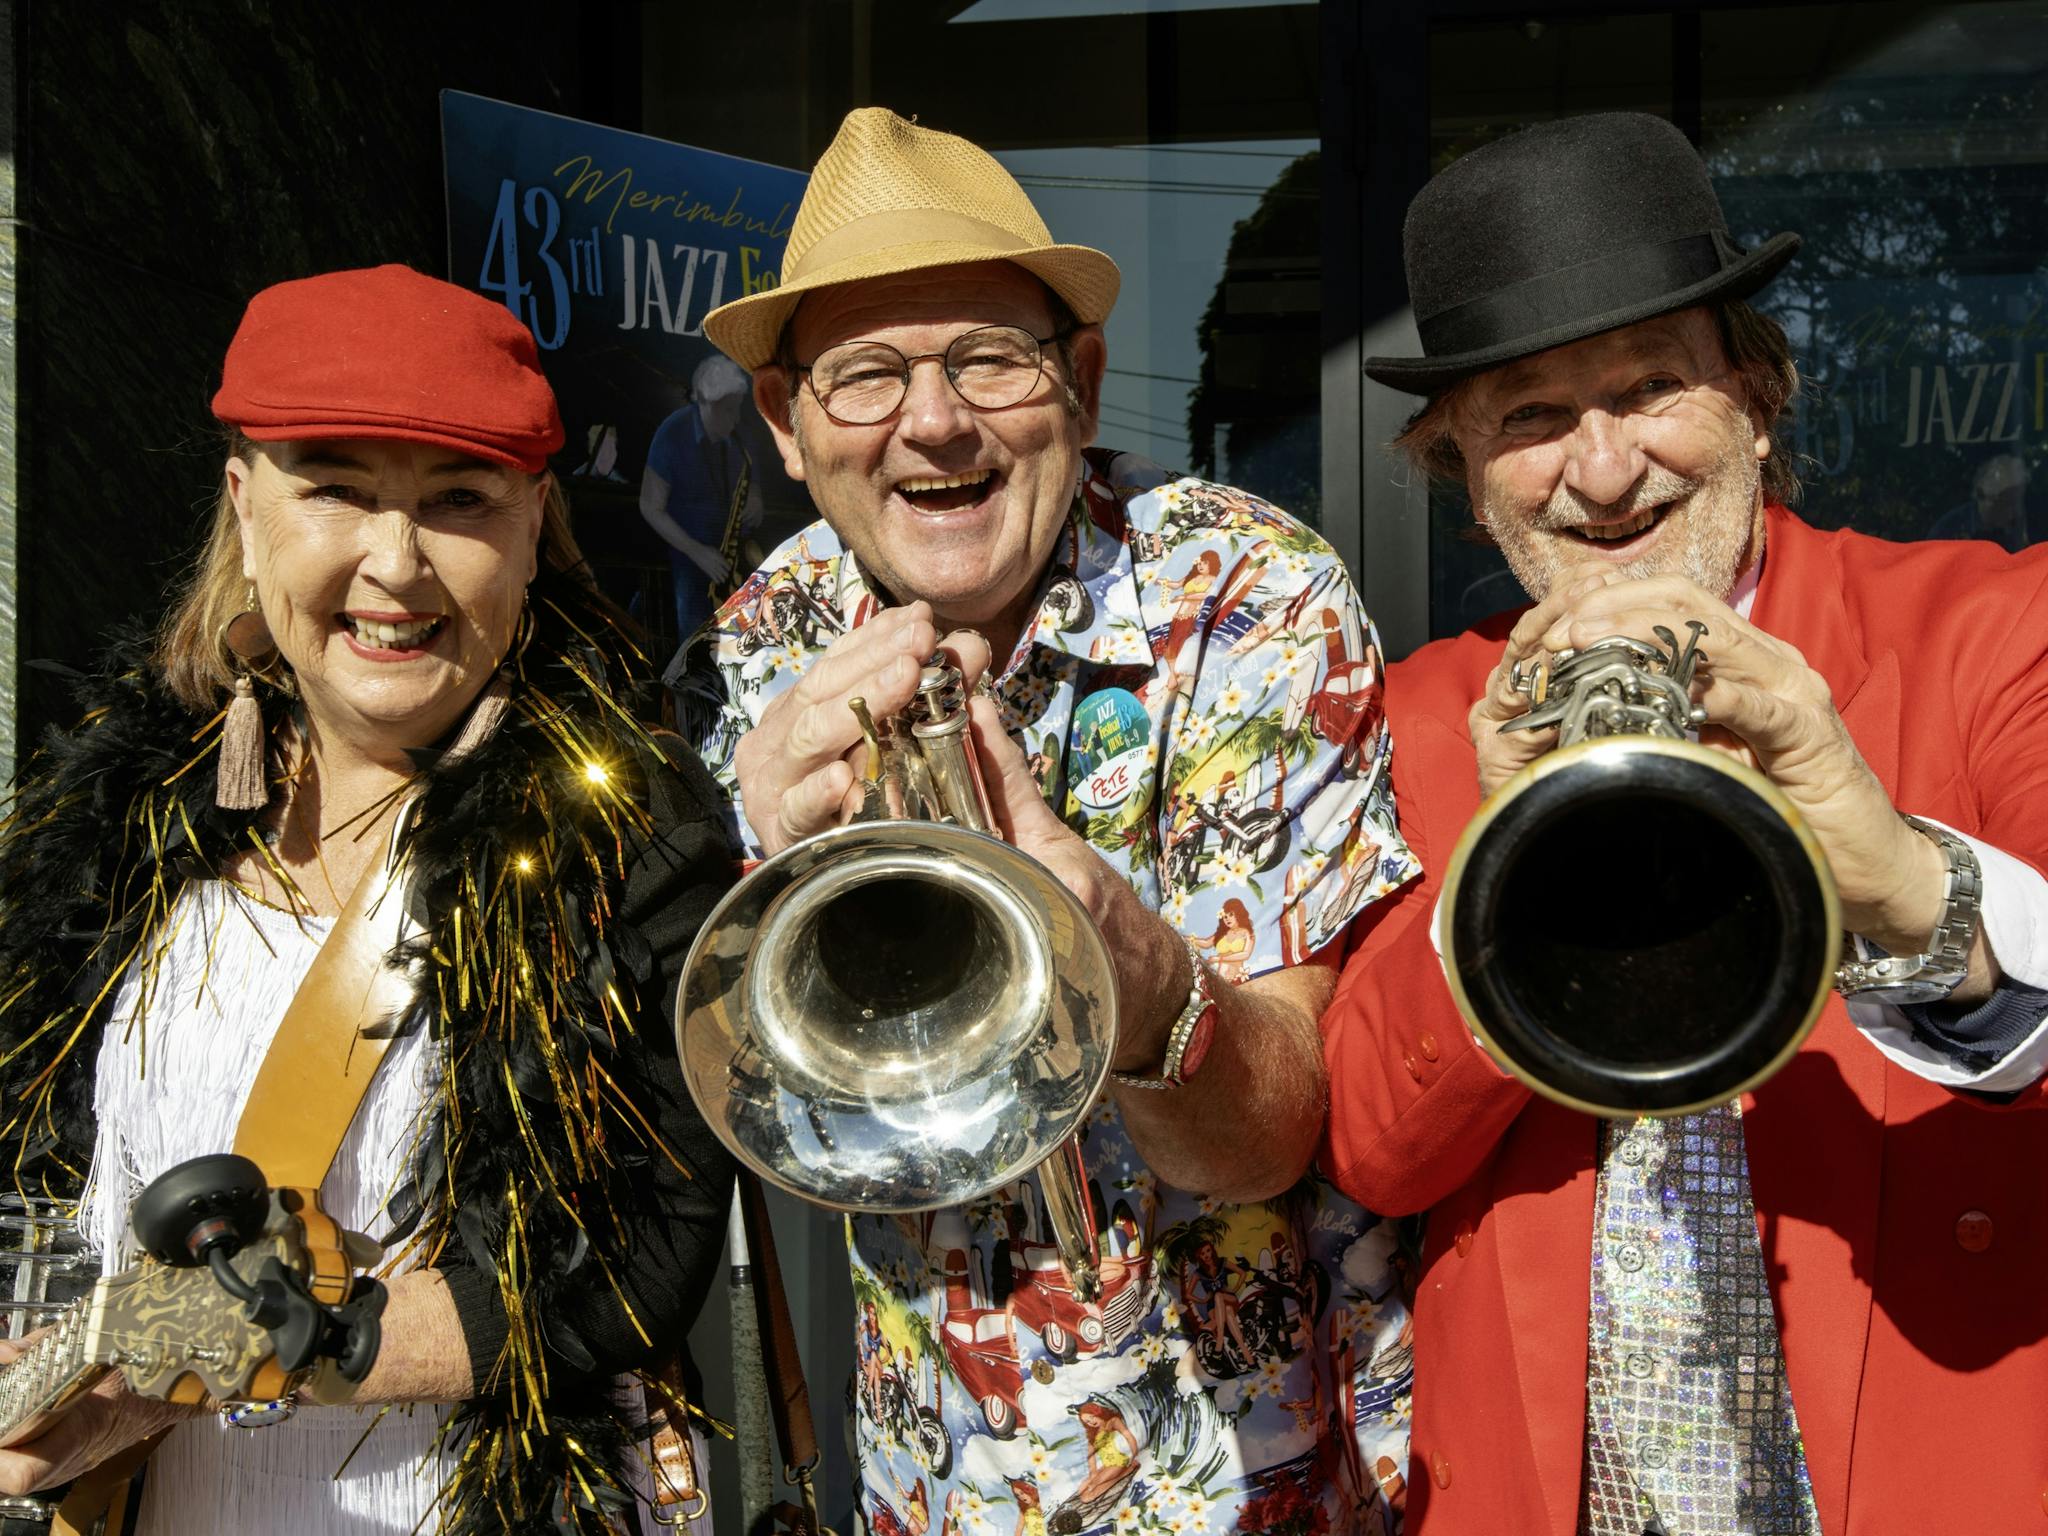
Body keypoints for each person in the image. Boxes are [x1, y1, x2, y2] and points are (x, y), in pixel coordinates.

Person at [680, 109, 1420, 1533]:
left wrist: (1127, 970)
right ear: (784, 423)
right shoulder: (759, 641)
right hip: (936, 1488)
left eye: (988, 358)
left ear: (1078, 384)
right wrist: (763, 872)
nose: (933, 421)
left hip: (1259, 1485)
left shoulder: (1250, 594)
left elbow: (1272, 1136)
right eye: (865, 375)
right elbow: (773, 1127)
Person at [1321, 112, 2048, 1534]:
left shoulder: (1993, 627)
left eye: (1651, 387)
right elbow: (1372, 1148)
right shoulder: (1414, 720)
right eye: (1529, 417)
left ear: (1757, 400)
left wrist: (1898, 873)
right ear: (1462, 468)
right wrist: (1494, 862)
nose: (1602, 473)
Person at [0, 265, 736, 1535]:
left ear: (533, 522)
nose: (395, 566)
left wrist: (256, 1348)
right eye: (336, 490)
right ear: (246, 507)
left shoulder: (631, 826)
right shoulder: (125, 810)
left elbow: (634, 1257)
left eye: (459, 500)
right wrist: (71, 1391)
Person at [640, 352, 763, 642]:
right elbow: (649, 506)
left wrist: (756, 497)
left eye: (738, 409)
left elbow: (752, 481)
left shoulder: (738, 435)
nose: (736, 419)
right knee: (696, 640)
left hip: (730, 556)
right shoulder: (673, 433)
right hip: (688, 557)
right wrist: (696, 551)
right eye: (729, 410)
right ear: (706, 402)